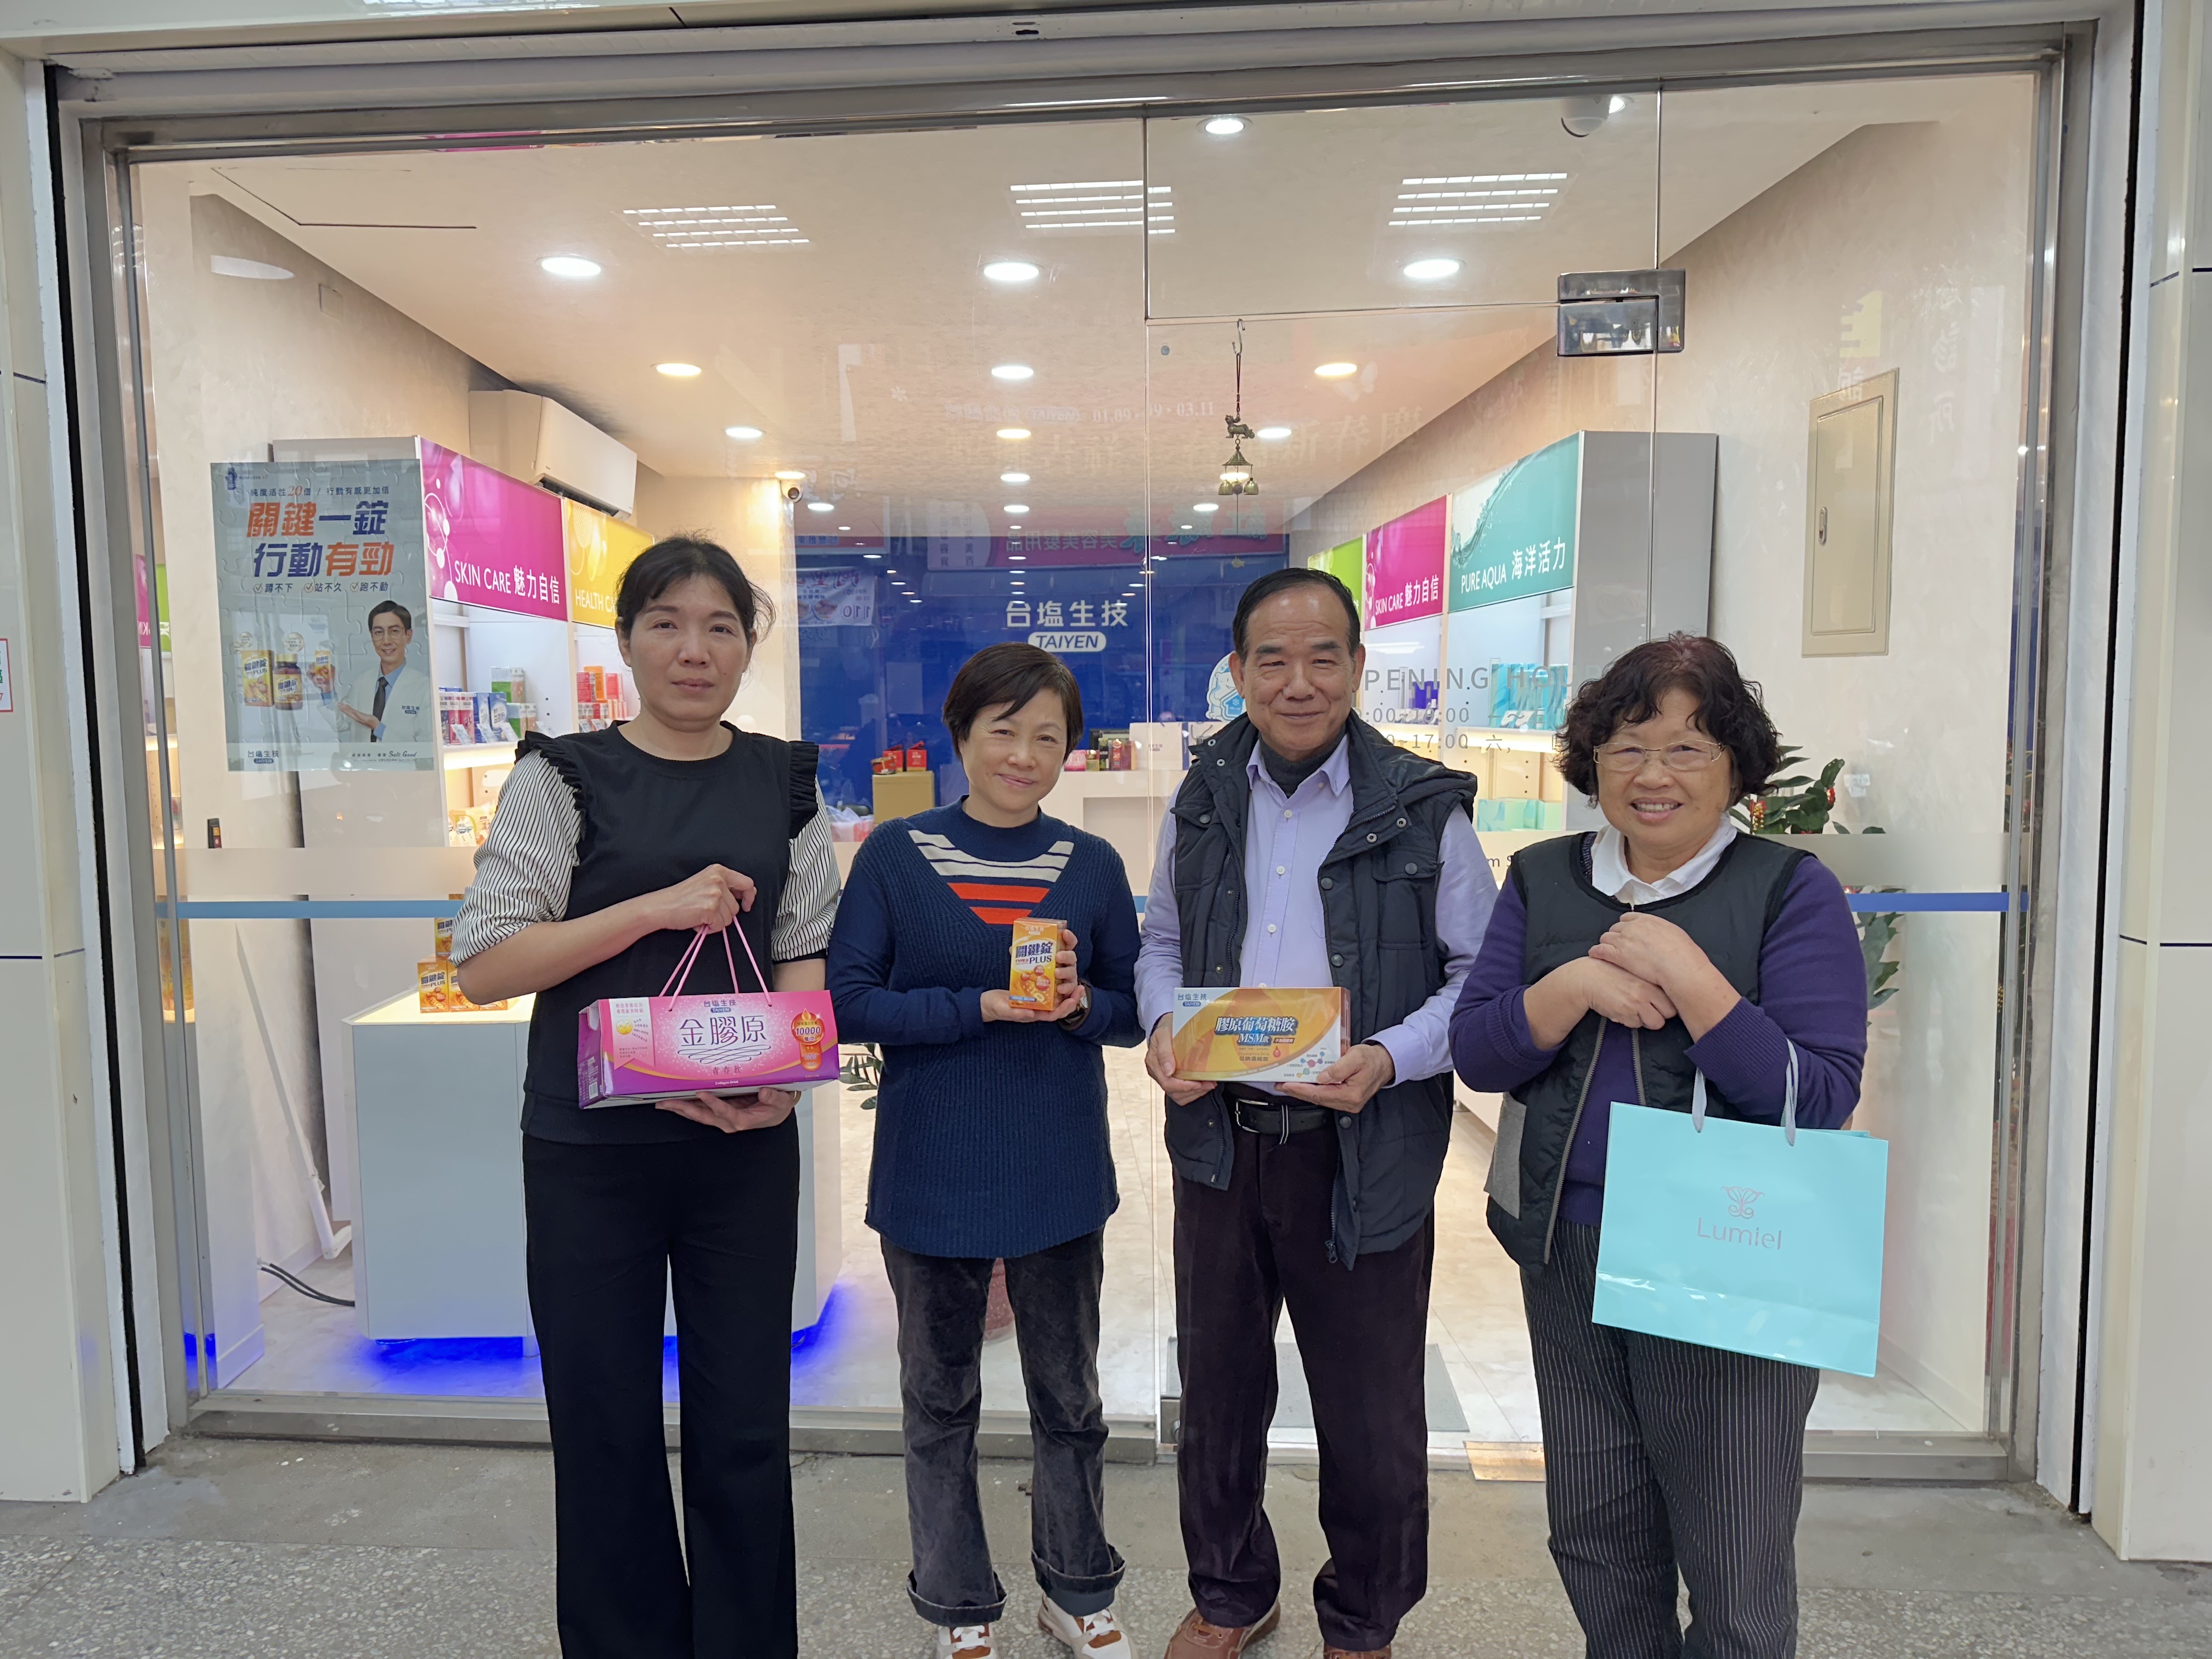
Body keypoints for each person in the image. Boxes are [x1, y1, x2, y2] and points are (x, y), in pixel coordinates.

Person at [449, 538, 839, 1659]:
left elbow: (804, 950)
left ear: (748, 647)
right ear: (626, 640)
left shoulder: (787, 781)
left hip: (741, 1148)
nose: (693, 650)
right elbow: (486, 963)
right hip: (589, 1153)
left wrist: (786, 1085)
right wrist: (655, 908)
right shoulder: (561, 774)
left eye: (720, 626)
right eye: (666, 623)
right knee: (603, 1423)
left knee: (745, 1426)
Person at [1449, 633, 1868, 1659]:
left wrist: (1692, 977)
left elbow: (1818, 1095)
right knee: (1596, 1531)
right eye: (1629, 747)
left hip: (1727, 1249)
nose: (1654, 775)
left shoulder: (1787, 888)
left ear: (1735, 765)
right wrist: (1568, 987)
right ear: (1592, 761)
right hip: (1566, 1242)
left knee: (1733, 1553)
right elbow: (1478, 1050)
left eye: (1687, 748)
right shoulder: (1545, 878)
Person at [1135, 568, 1494, 1659]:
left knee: (1370, 1407)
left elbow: (1480, 976)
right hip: (1221, 1140)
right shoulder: (1202, 797)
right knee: (1219, 1392)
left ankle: (1364, 1617)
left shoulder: (1424, 808)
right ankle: (1231, 1593)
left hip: (1363, 1145)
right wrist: (1163, 1030)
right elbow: (1160, 944)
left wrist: (1388, 1056)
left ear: (1356, 666)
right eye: (1273, 659)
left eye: (1323, 656)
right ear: (1238, 671)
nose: (1299, 681)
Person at [827, 642, 1144, 1659]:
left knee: (1070, 1397)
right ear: (961, 734)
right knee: (938, 1401)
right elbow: (845, 1002)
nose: (1023, 754)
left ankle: (1078, 1588)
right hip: (932, 1169)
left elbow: (1135, 1009)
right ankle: (957, 1600)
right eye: (1003, 730)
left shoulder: (1091, 864)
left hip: (1057, 1168)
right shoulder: (895, 854)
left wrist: (1082, 1005)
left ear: (1069, 750)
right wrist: (977, 1006)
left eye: (1047, 736)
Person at [338, 598, 433, 744]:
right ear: (372, 637)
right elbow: (341, 723)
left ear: (408, 636)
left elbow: (427, 746)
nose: (386, 641)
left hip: (403, 761)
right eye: (378, 632)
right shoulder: (361, 682)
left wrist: (378, 728)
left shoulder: (424, 687)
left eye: (394, 631)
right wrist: (326, 691)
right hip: (362, 760)